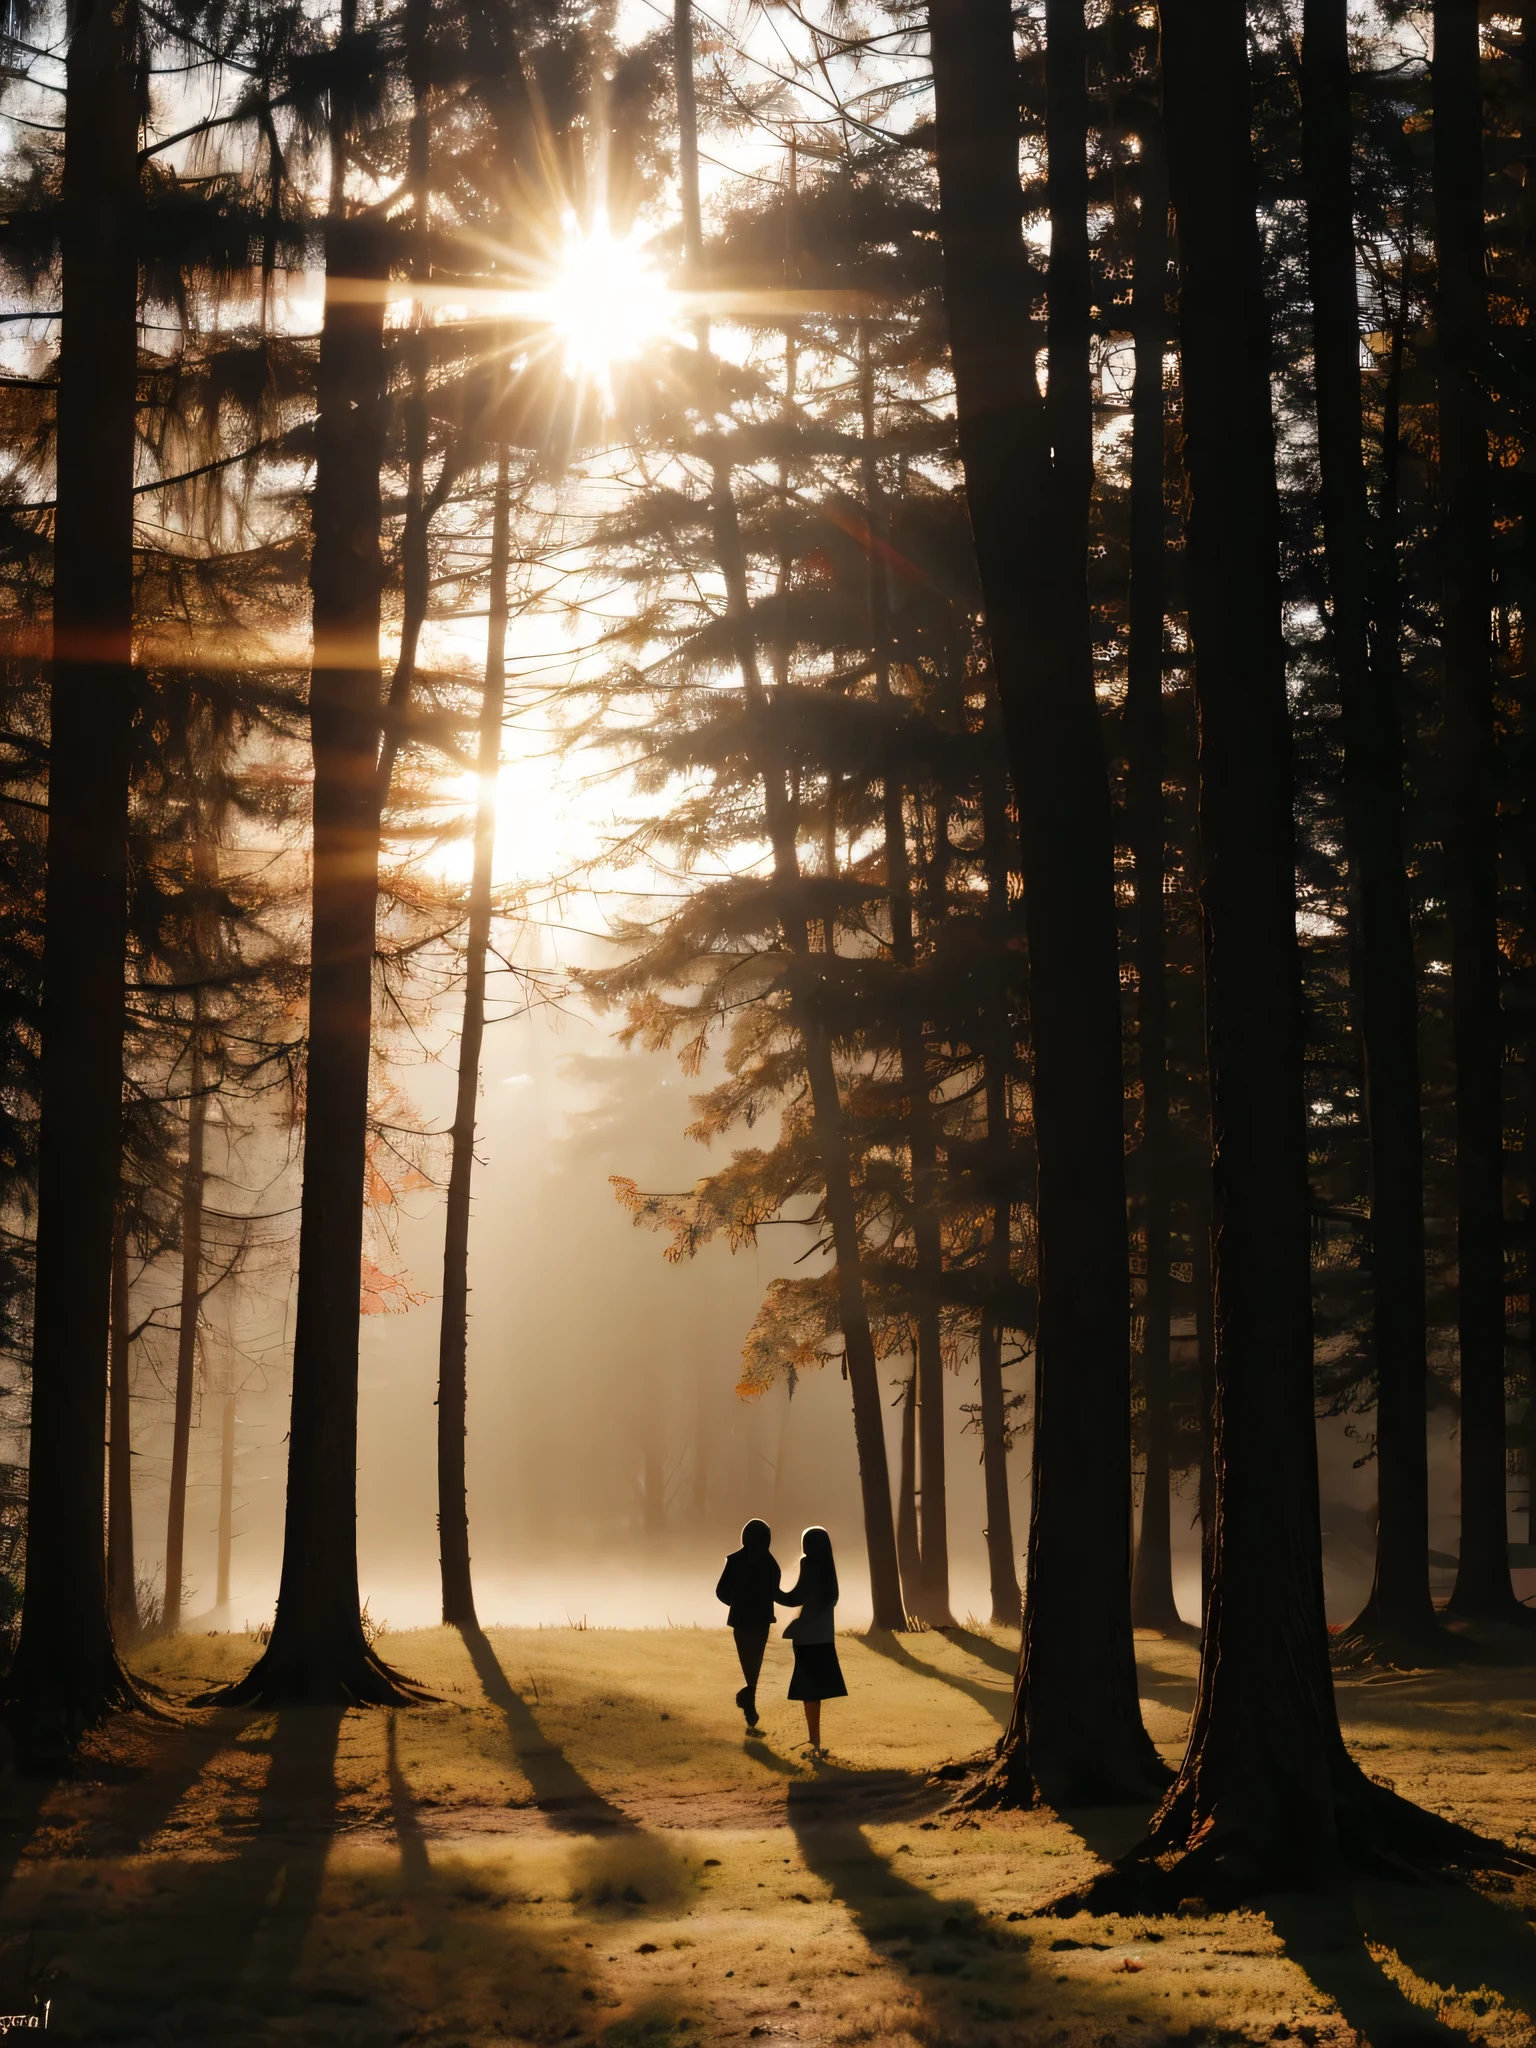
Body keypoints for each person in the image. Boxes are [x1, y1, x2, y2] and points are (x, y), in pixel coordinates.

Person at [776, 1525, 846, 1755]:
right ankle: (815, 1741)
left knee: (809, 1691)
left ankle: (814, 1741)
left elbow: (796, 1597)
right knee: (816, 1690)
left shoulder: (809, 1563)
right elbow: (829, 1599)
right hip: (824, 1635)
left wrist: (773, 1592)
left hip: (806, 1637)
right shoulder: (829, 1565)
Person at [715, 1518, 781, 1729]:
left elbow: (721, 1591)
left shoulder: (734, 1560)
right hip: (761, 1619)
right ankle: (749, 1698)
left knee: (747, 1659)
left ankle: (749, 1699)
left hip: (741, 1619)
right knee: (756, 1659)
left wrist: (736, 1603)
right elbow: (774, 1589)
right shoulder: (770, 1563)